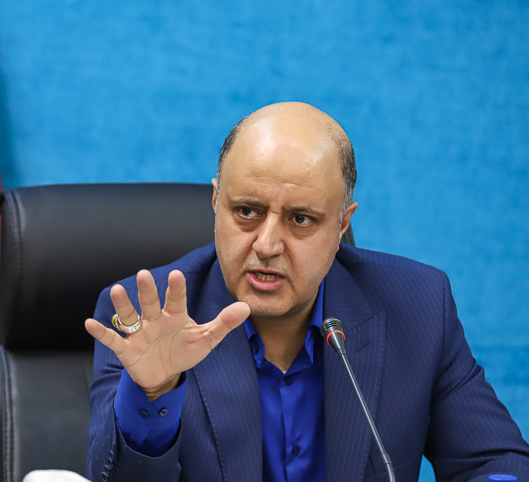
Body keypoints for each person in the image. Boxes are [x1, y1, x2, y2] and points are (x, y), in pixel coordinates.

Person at [84, 102, 529, 482]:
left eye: (300, 219)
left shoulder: (418, 305)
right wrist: (155, 393)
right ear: (216, 203)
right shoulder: (142, 316)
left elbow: (495, 460)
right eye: (247, 211)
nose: (267, 245)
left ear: (342, 223)